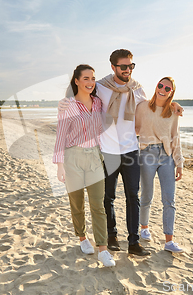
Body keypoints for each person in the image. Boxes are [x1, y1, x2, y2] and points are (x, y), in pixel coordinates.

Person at [58, 49, 183, 256]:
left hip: (131, 150)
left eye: (131, 66)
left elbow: (156, 106)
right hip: (107, 151)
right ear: (113, 67)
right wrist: (65, 101)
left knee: (133, 196)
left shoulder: (138, 90)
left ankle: (134, 242)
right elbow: (79, 94)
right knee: (108, 197)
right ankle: (111, 236)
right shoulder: (100, 87)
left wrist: (174, 104)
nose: (128, 70)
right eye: (123, 66)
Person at [53, 64, 116, 267]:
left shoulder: (98, 103)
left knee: (98, 205)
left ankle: (103, 250)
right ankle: (82, 238)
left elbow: (121, 104)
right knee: (77, 203)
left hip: (94, 157)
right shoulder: (67, 105)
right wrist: (59, 165)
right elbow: (61, 135)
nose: (90, 82)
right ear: (77, 81)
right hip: (72, 158)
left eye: (93, 78)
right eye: (86, 78)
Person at [135, 77, 185, 253]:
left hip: (166, 157)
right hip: (147, 154)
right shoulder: (142, 107)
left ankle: (169, 240)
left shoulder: (172, 112)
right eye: (160, 85)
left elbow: (175, 137)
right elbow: (133, 128)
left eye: (168, 89)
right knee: (147, 195)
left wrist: (179, 163)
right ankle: (144, 228)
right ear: (156, 86)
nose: (162, 90)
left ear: (171, 93)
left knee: (169, 199)